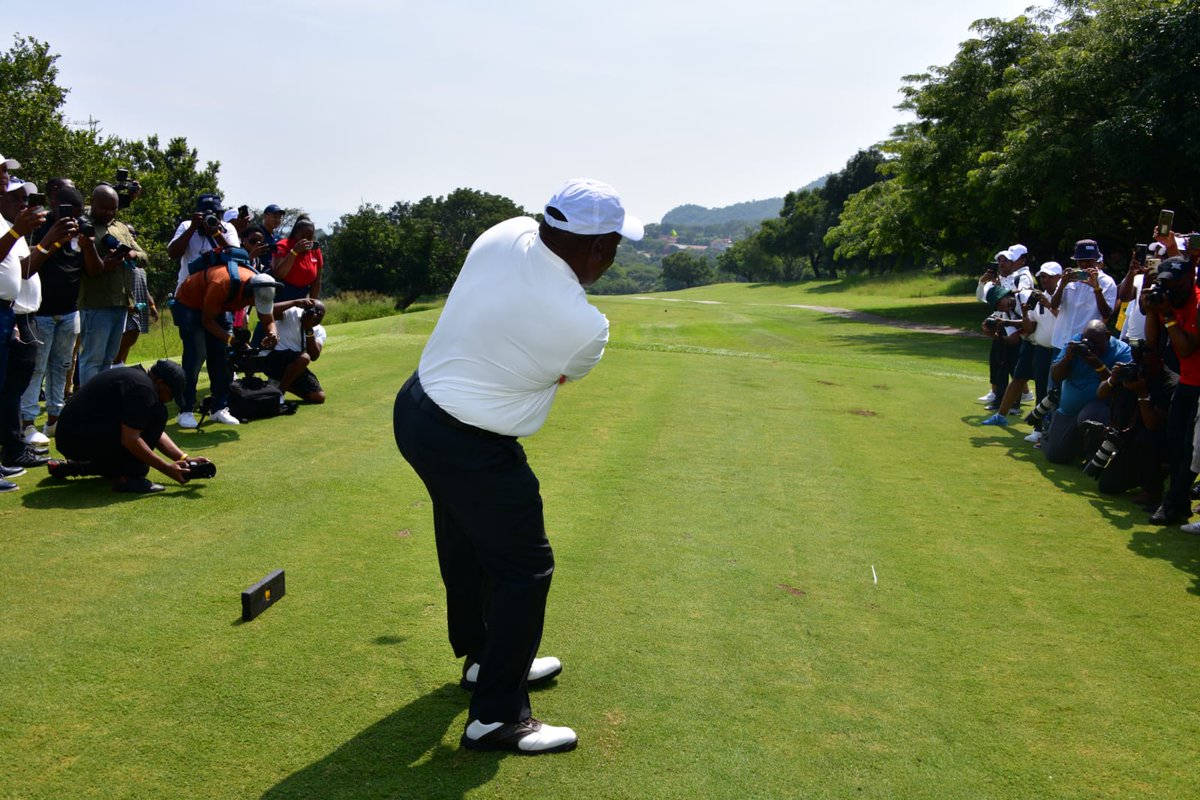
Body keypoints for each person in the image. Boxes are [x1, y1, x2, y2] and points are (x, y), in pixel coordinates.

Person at [393, 178, 642, 755]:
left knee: (468, 543)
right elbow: (558, 375)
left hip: (417, 410)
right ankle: (496, 717)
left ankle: (485, 661)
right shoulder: (585, 327)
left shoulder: (504, 231)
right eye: (615, 245)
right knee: (524, 569)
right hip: (472, 442)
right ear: (598, 247)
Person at [48, 360, 211, 493]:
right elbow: (131, 439)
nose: (170, 399)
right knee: (159, 413)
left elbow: (150, 431)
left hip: (73, 435)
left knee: (122, 460)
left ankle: (74, 468)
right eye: (171, 394)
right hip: (79, 437)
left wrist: (184, 459)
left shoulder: (138, 378)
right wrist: (167, 469)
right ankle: (131, 478)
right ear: (160, 382)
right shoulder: (143, 389)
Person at [172, 265, 280, 427]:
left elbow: (269, 320)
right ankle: (186, 410)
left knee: (223, 357)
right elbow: (206, 321)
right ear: (249, 292)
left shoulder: (264, 287)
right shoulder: (221, 284)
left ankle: (218, 409)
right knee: (197, 354)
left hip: (219, 306)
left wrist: (272, 334)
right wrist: (232, 341)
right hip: (190, 303)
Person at [1143, 255, 1200, 525]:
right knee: (1176, 443)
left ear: (1190, 280)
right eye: (1167, 284)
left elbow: (1188, 347)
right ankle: (1178, 503)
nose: (1171, 289)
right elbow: (1152, 342)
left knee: (1190, 449)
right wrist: (1153, 311)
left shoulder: (1197, 302)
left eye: (1176, 284)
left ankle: (1171, 504)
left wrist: (1166, 314)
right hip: (1187, 381)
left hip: (1198, 384)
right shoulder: (1171, 301)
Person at [77, 184, 144, 385]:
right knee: (92, 359)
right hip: (96, 304)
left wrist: (131, 253)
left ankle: (102, 402)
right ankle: (89, 404)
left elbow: (143, 256)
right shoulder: (85, 226)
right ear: (93, 203)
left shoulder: (121, 227)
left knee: (109, 359)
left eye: (113, 208)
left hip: (121, 303)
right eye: (104, 208)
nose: (109, 212)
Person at [1043, 320, 1132, 464]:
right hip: (1068, 409)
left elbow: (1119, 388)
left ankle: (1092, 453)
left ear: (1108, 335)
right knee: (1056, 456)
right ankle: (1064, 439)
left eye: (1096, 342)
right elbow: (1056, 376)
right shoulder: (1076, 343)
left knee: (1091, 416)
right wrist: (1067, 358)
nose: (1092, 347)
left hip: (1100, 409)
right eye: (1088, 341)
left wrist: (1099, 366)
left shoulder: (1122, 351)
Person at [167, 194, 241, 292]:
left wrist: (216, 234)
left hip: (217, 290)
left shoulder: (228, 228)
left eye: (216, 214)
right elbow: (173, 254)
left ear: (220, 215)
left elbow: (235, 256)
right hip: (187, 289)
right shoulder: (187, 226)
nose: (210, 218)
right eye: (206, 215)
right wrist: (192, 228)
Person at [265, 298, 327, 403]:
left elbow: (314, 356)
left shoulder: (320, 331)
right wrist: (295, 302)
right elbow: (266, 311)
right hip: (274, 358)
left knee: (318, 397)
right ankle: (280, 392)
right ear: (305, 309)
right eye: (313, 311)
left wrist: (308, 328)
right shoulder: (292, 312)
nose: (316, 316)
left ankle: (275, 385)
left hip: (295, 365)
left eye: (320, 315)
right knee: (304, 358)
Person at [271, 216, 323, 300]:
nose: (306, 240)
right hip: (282, 294)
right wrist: (294, 252)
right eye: (302, 237)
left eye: (309, 237)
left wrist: (314, 302)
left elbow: (316, 281)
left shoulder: (315, 250)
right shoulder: (283, 246)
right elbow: (279, 274)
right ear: (296, 234)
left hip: (303, 294)